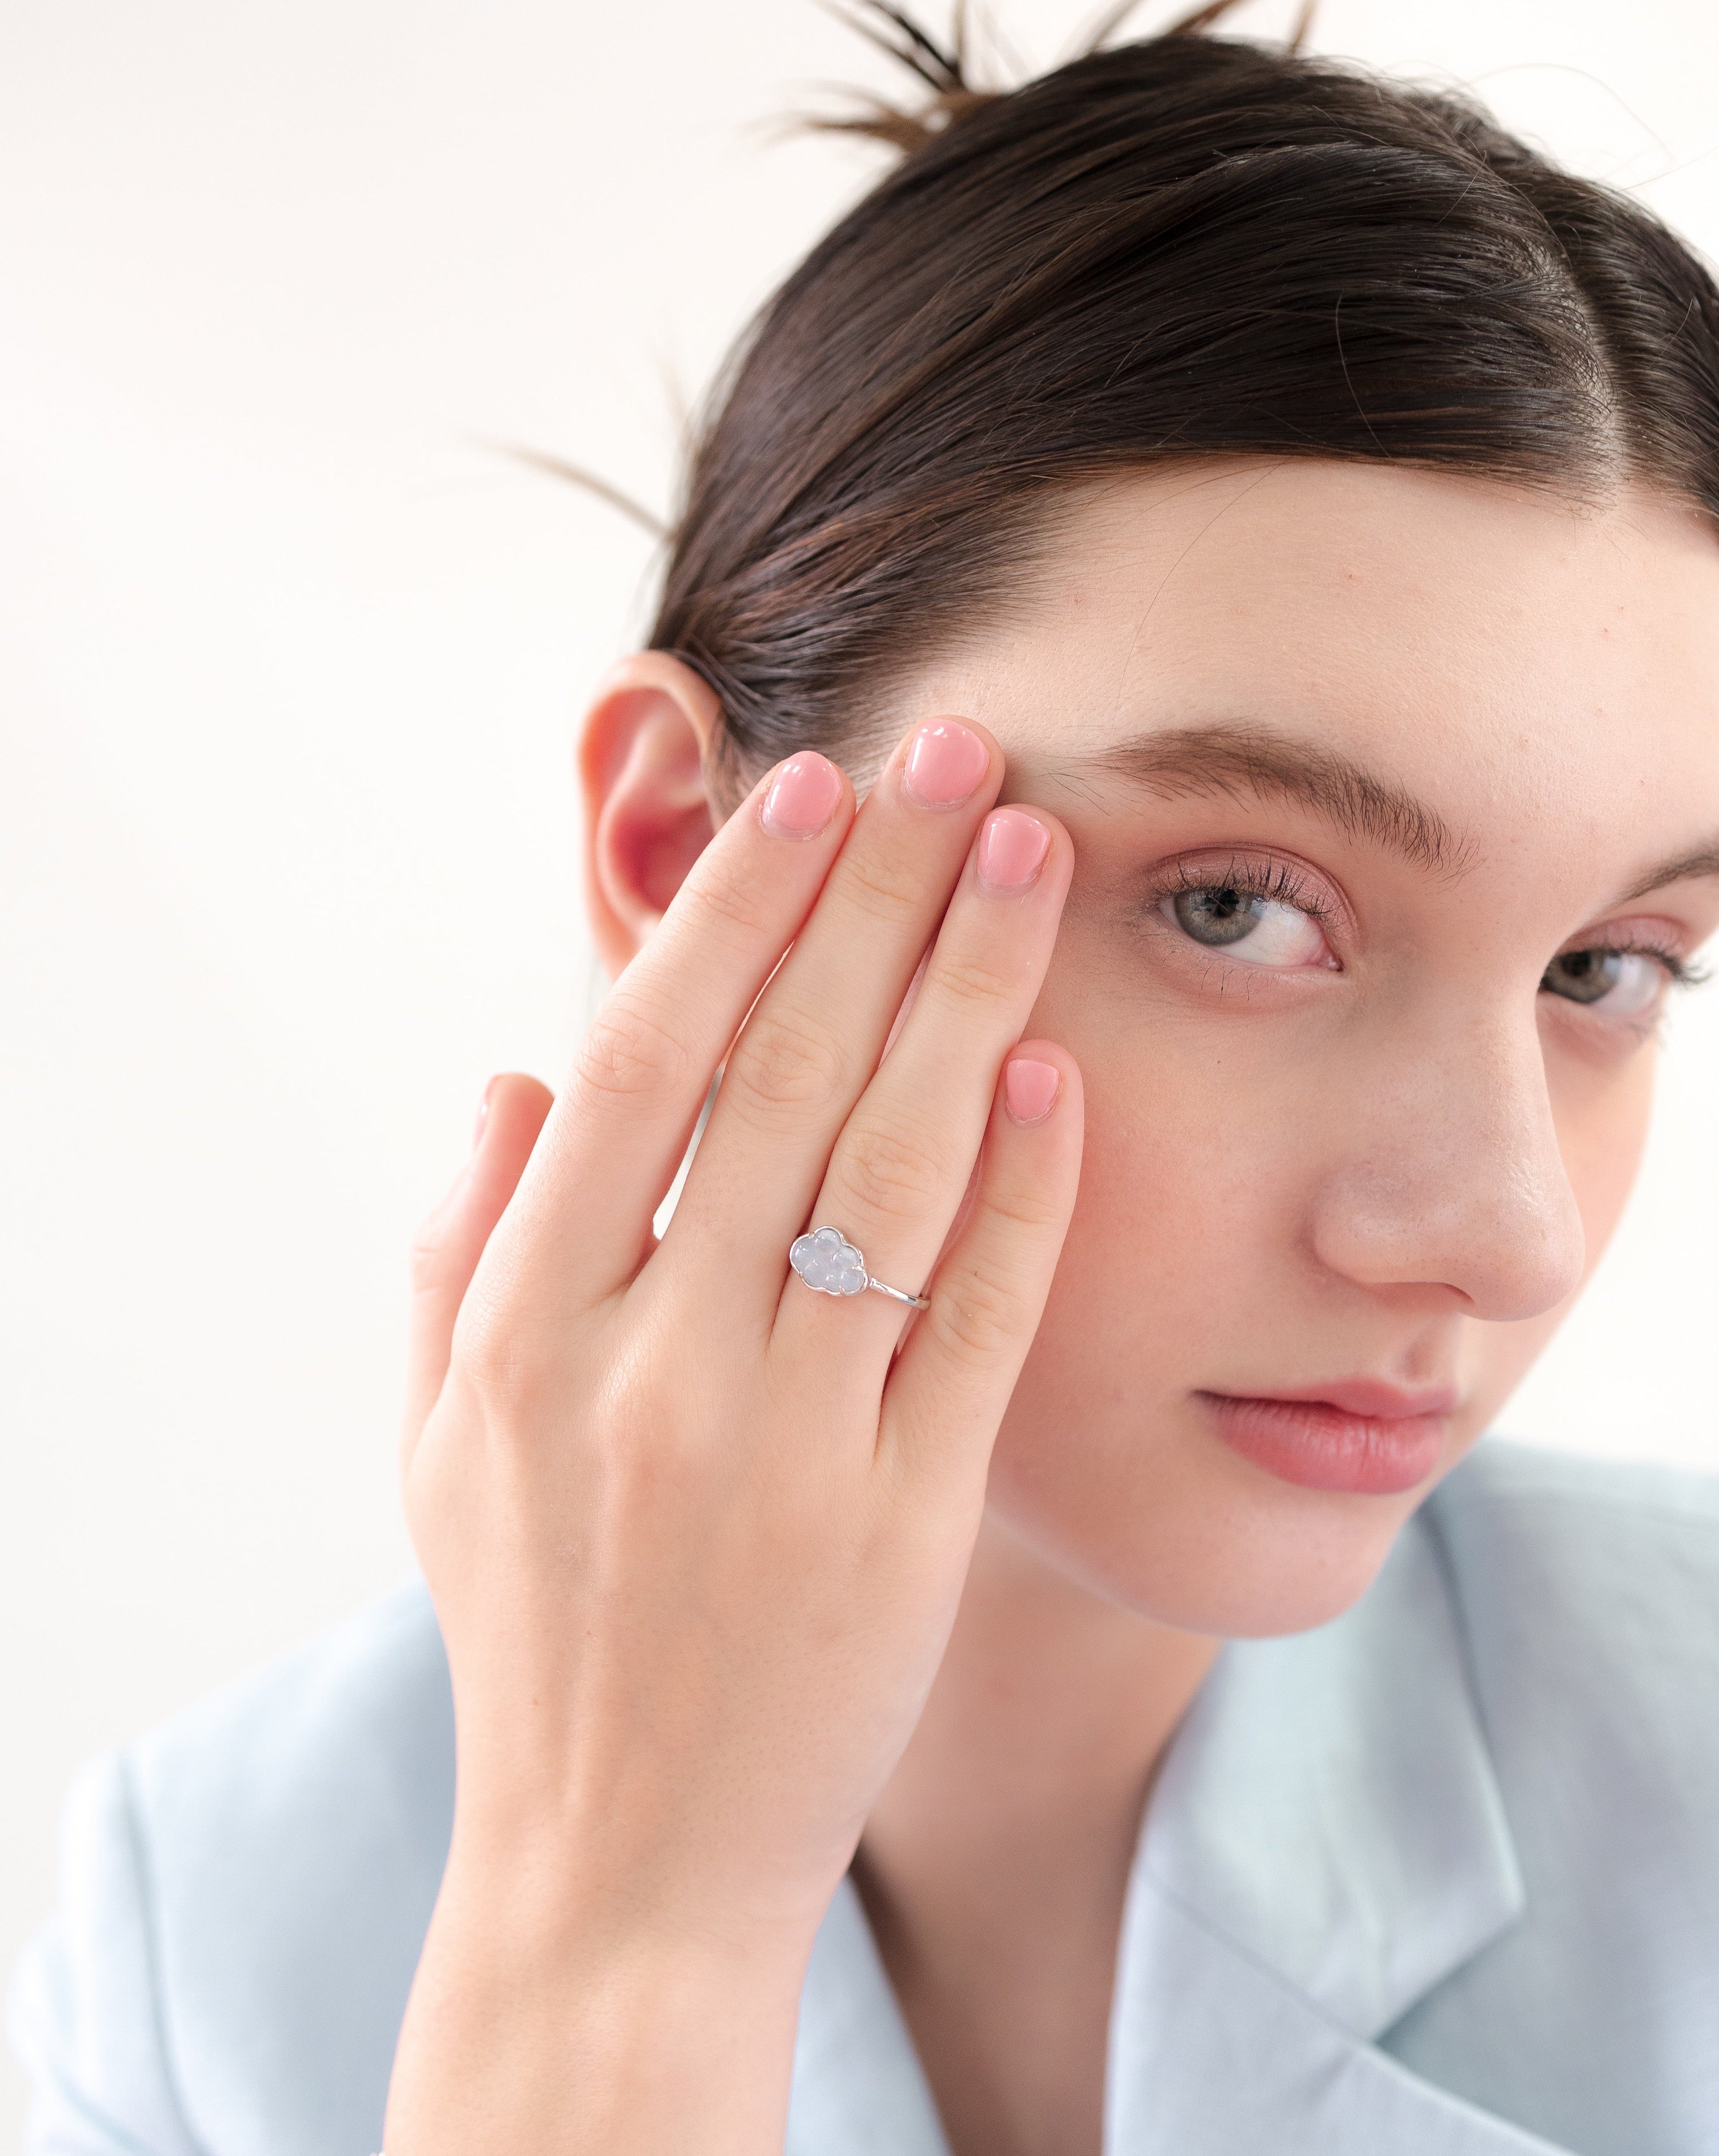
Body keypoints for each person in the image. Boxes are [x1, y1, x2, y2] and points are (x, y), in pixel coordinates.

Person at [12, 5, 1719, 2152]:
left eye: (1607, 965)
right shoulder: (216, 1948)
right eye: (1234, 908)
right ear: (680, 847)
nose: (1504, 1230)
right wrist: (618, 1956)